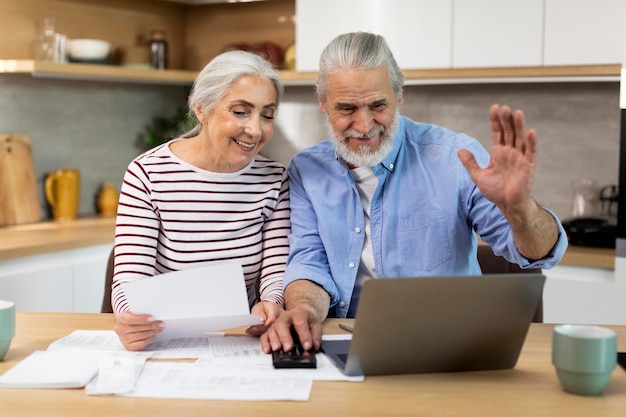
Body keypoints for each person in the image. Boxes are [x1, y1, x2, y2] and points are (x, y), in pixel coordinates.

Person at [260, 32, 568, 354]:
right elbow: (309, 260)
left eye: (378, 105)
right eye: (347, 109)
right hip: (345, 341)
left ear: (399, 94)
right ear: (323, 103)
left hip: (449, 343)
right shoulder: (307, 170)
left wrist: (521, 211)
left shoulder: (454, 157)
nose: (364, 126)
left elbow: (538, 253)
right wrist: (306, 310)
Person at [111, 50, 290, 351]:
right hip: (166, 339)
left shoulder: (275, 179)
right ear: (202, 110)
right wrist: (131, 320)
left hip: (240, 340)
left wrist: (271, 304)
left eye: (267, 115)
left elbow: (276, 271)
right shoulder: (147, 173)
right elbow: (130, 280)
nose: (255, 129)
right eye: (240, 111)